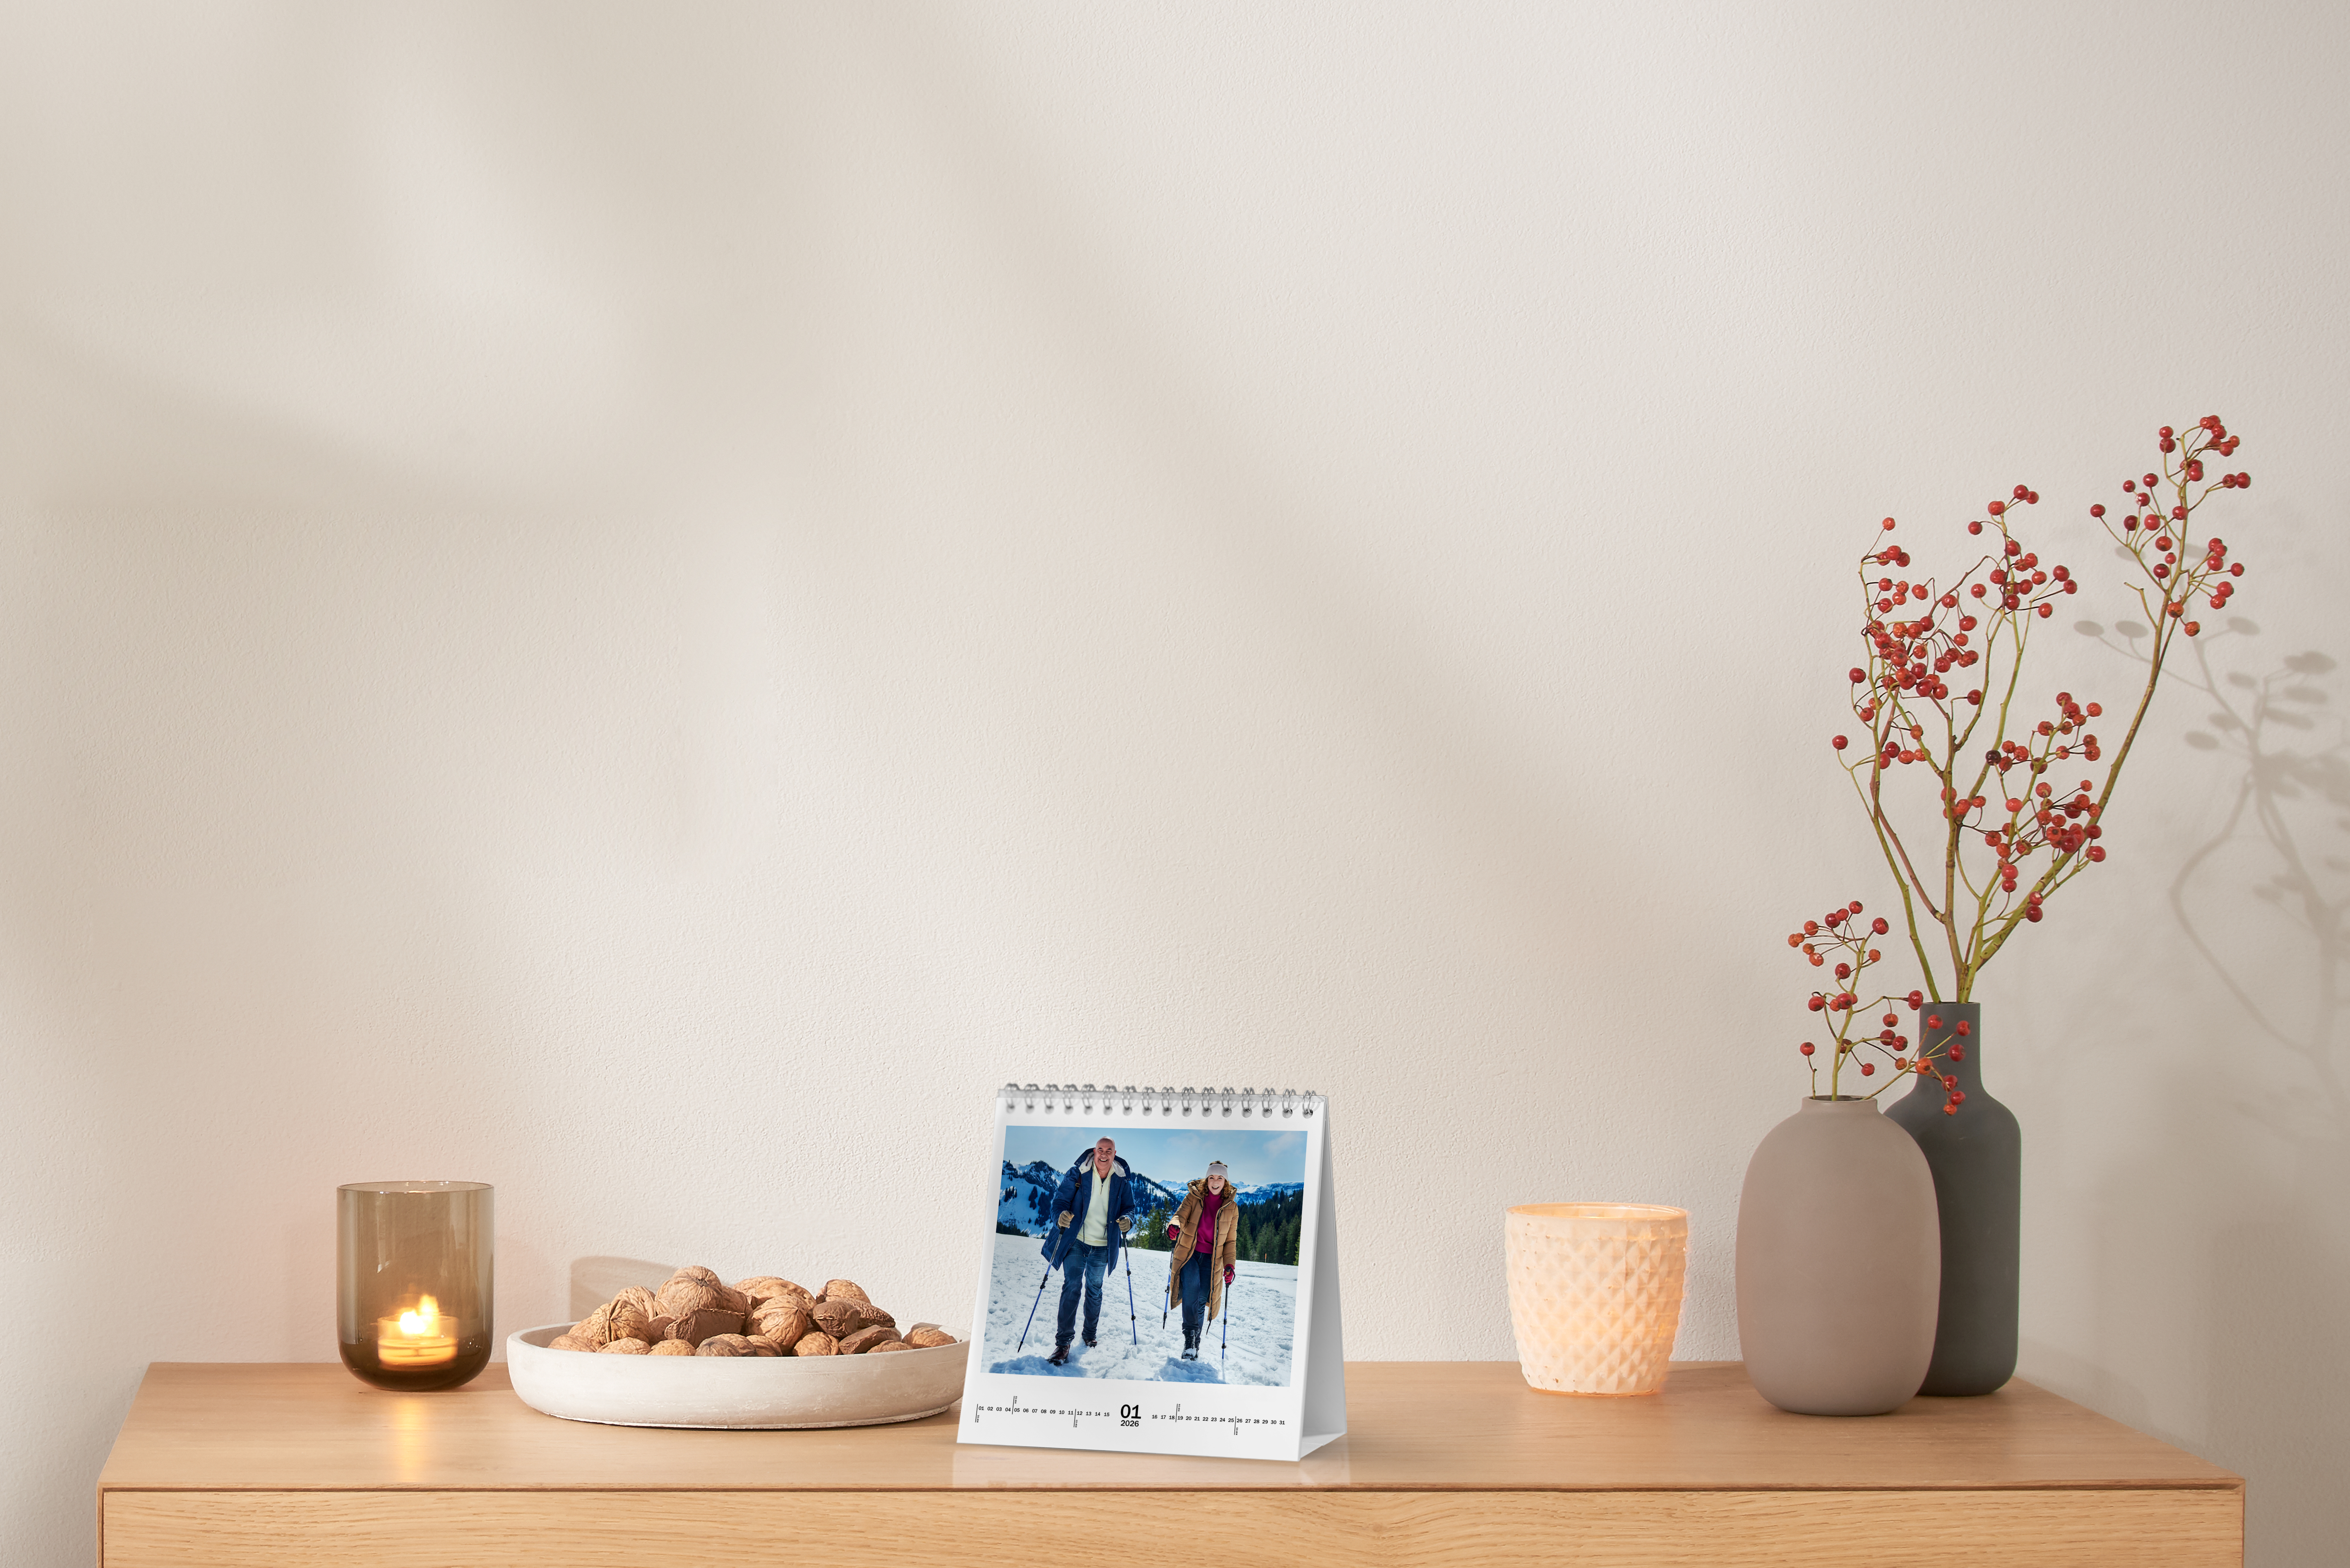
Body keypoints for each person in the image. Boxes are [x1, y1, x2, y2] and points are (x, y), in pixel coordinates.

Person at [1044, 1137, 1135, 1366]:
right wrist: (1060, 1218)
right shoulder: (1078, 1174)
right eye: (1101, 1150)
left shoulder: (1122, 1180)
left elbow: (1130, 1209)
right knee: (1073, 1285)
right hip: (1077, 1240)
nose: (1104, 1155)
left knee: (1095, 1289)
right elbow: (1059, 1203)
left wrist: (1128, 1220)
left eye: (1109, 1151)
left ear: (1115, 1154)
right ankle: (1063, 1343)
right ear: (1095, 1152)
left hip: (1104, 1245)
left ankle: (1089, 1335)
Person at [1163, 1160, 1241, 1361]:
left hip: (1212, 1260)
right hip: (1190, 1253)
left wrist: (1230, 1265)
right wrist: (1174, 1226)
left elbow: (1231, 1241)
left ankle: (1195, 1342)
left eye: (1220, 1178)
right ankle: (1189, 1337)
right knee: (1191, 1289)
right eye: (1212, 1177)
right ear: (1207, 1180)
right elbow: (1180, 1216)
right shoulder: (1194, 1197)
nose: (1215, 1182)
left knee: (1200, 1300)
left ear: (1226, 1182)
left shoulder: (1232, 1208)